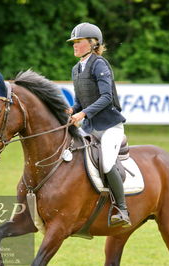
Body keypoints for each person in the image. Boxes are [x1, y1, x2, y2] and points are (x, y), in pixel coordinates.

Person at [66, 22, 131, 227]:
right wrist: (72, 110)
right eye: (73, 42)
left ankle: (122, 209)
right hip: (90, 128)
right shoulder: (76, 69)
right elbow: (80, 102)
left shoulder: (99, 64)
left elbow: (106, 97)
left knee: (106, 163)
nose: (75, 45)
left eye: (79, 41)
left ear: (93, 44)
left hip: (109, 127)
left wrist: (83, 114)